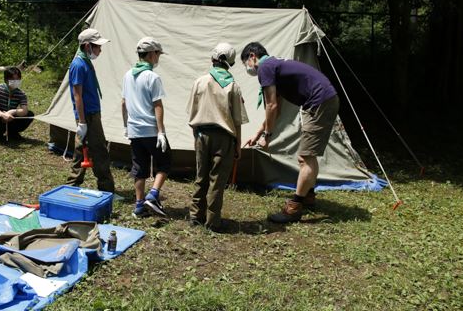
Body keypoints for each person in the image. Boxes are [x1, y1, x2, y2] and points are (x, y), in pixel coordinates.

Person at [241, 41, 339, 223]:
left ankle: (294, 208)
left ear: (252, 56)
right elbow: (275, 110)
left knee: (306, 158)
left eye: (245, 62)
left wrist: (267, 137)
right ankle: (308, 196)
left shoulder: (265, 67)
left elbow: (271, 105)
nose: (247, 68)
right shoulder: (275, 66)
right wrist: (258, 134)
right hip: (324, 100)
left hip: (319, 102)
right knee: (308, 157)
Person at [186, 43, 249, 231]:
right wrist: (238, 145)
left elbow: (192, 112)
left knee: (200, 176)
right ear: (230, 63)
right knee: (217, 181)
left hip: (202, 134)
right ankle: (213, 222)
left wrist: (196, 136)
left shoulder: (200, 81)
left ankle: (195, 215)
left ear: (212, 59)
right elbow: (237, 120)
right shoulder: (233, 86)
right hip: (224, 138)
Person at [121, 37, 171, 218]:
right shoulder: (152, 77)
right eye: (157, 54)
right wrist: (161, 132)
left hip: (134, 130)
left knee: (139, 167)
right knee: (165, 162)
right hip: (150, 129)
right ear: (151, 54)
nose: (158, 58)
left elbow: (123, 103)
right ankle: (154, 195)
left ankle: (139, 206)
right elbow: (158, 105)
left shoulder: (128, 75)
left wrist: (126, 126)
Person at [67, 28, 116, 193]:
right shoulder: (78, 64)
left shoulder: (85, 62)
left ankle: (71, 186)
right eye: (98, 46)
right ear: (87, 46)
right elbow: (77, 95)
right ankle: (106, 189)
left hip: (92, 113)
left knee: (82, 150)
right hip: (87, 115)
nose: (100, 50)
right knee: (99, 151)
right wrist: (82, 121)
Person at [0, 66, 34, 141]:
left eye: (18, 79)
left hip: (10, 118)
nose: (16, 82)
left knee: (29, 115)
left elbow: (24, 110)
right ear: (6, 79)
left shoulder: (21, 94)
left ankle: (12, 132)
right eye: (13, 79)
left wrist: (12, 112)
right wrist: (2, 115)